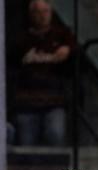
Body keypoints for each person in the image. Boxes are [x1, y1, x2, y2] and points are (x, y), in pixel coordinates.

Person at [9, 0, 75, 147]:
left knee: (55, 136)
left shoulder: (61, 36)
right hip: (26, 102)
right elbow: (11, 62)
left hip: (54, 101)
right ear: (31, 15)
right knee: (27, 145)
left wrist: (68, 49)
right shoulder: (21, 39)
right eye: (38, 12)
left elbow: (75, 52)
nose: (42, 16)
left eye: (46, 12)